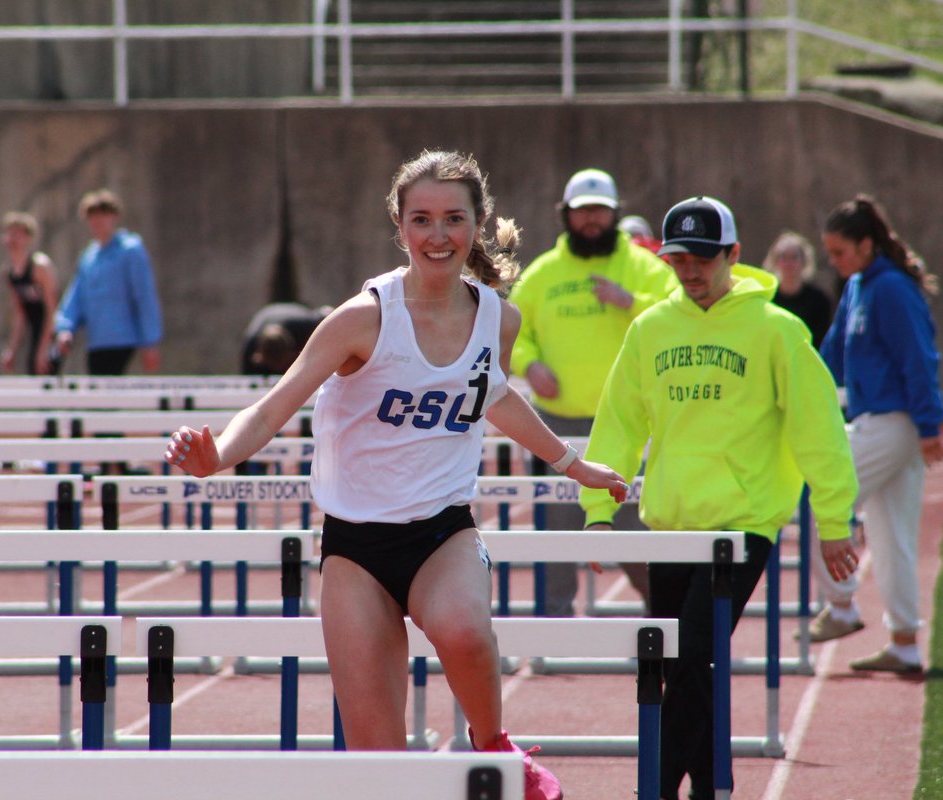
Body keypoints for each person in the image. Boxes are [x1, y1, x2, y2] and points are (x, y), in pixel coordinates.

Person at [164, 150, 630, 800]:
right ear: (400, 225)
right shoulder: (364, 318)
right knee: (380, 762)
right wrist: (217, 457)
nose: (438, 235)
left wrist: (574, 464)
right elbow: (276, 403)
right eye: (422, 220)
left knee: (466, 633)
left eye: (453, 219)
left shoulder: (499, 317)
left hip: (442, 532)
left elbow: (493, 393)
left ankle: (494, 747)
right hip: (356, 546)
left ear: (476, 224)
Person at [579, 196, 859, 800]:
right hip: (672, 526)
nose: (690, 271)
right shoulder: (650, 328)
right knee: (674, 669)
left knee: (692, 661)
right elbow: (619, 427)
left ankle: (652, 787)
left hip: (742, 527)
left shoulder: (778, 330)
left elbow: (819, 430)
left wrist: (834, 520)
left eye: (704, 258)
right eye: (678, 258)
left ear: (733, 254)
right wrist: (599, 513)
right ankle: (707, 786)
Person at [509, 168, 677, 615]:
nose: (591, 221)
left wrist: (630, 302)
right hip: (556, 425)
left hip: (628, 427)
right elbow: (513, 332)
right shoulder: (542, 273)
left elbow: (680, 318)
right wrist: (530, 364)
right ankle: (553, 631)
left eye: (600, 211)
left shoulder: (645, 268)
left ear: (616, 213)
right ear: (565, 215)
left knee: (634, 535)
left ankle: (663, 623)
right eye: (582, 212)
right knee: (558, 535)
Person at [803, 195, 943, 673]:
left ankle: (841, 606)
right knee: (890, 537)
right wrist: (804, 388)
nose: (836, 263)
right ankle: (905, 641)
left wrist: (930, 426)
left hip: (893, 420)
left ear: (866, 245)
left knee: (824, 495)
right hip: (882, 420)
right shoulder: (859, 285)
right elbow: (831, 353)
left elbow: (919, 358)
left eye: (841, 253)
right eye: (831, 255)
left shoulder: (891, 289)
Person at [53, 189, 163, 375]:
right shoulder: (89, 257)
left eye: (103, 215)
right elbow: (76, 297)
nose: (98, 221)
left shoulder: (130, 250)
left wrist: (150, 342)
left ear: (114, 217)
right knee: (98, 397)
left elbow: (144, 296)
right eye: (92, 216)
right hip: (97, 341)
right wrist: (65, 328)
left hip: (124, 340)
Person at [0, 212, 59, 375]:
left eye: (19, 234)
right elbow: (20, 314)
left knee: (43, 372)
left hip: (51, 332)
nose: (13, 240)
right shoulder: (9, 272)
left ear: (29, 238)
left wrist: (44, 349)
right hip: (34, 332)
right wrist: (12, 349)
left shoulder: (40, 267)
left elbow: (53, 310)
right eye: (10, 234)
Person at [762, 230, 833, 347]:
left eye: (794, 257)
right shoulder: (767, 299)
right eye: (783, 257)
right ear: (775, 261)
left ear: (804, 261)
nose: (789, 263)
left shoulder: (819, 301)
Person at [240, 302, 331, 375]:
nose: (278, 370)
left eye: (282, 364)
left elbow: (327, 316)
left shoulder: (308, 326)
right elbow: (247, 379)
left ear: (292, 354)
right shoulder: (251, 347)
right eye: (273, 364)